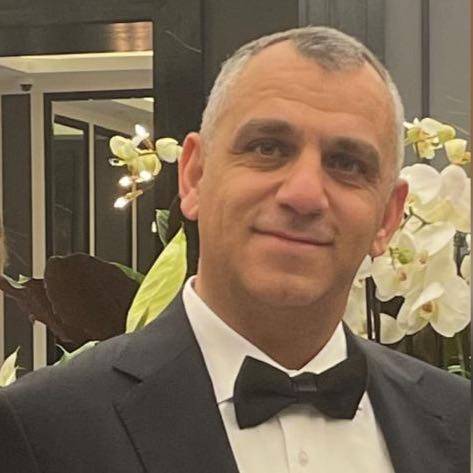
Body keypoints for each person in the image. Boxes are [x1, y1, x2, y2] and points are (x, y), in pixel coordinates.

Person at [0, 26, 468, 473]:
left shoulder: (458, 421)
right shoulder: (42, 430)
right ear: (194, 177)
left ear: (388, 217)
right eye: (268, 148)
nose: (304, 194)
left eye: (347, 164)